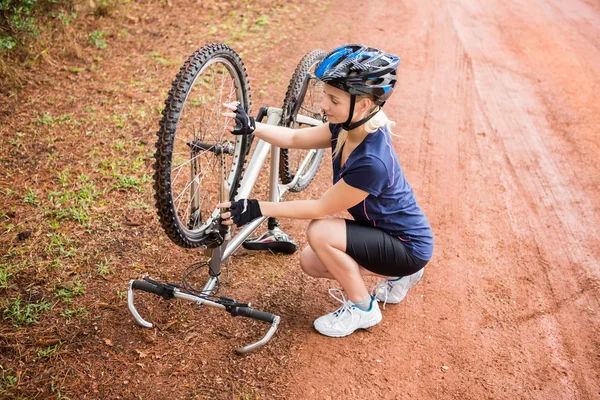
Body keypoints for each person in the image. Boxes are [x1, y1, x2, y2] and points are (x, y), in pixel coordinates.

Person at [218, 44, 434, 338]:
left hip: (408, 246)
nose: (323, 105)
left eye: (333, 99)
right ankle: (398, 275)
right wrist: (252, 126)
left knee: (321, 232)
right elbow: (294, 137)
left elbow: (320, 209)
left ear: (363, 105)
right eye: (325, 96)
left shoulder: (373, 161)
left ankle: (363, 308)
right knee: (311, 261)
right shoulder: (348, 128)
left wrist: (257, 208)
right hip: (390, 235)